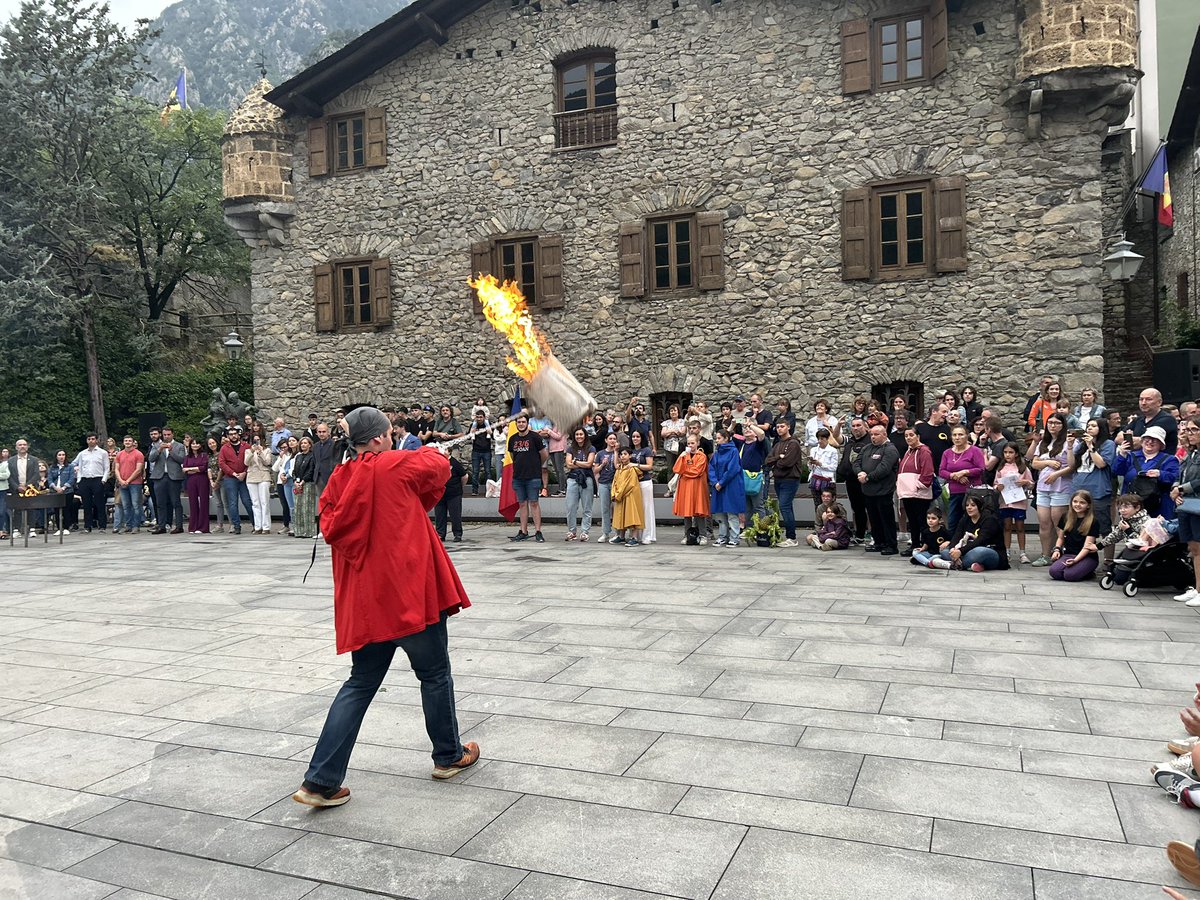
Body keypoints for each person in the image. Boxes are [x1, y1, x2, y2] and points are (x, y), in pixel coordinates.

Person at [293, 408, 478, 808]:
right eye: (390, 434)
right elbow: (435, 469)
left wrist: (428, 451)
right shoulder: (395, 465)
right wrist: (434, 448)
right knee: (434, 674)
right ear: (377, 439)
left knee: (359, 683)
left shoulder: (339, 479)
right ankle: (447, 756)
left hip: (368, 605)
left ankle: (320, 780)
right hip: (409, 599)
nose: (393, 439)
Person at [1027, 413, 1076, 565]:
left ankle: (1060, 552)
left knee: (1058, 522)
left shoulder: (1070, 442)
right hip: (1043, 486)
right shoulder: (1044, 442)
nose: (1052, 425)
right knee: (1044, 522)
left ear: (1063, 425)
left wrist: (1057, 473)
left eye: (1056, 423)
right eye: (1050, 422)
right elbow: (1033, 462)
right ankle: (1045, 554)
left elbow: (1072, 466)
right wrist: (1048, 462)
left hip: (1061, 486)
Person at [1072, 417, 1116, 559]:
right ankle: (1080, 556)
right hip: (1079, 488)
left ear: (1101, 428)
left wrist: (1091, 447)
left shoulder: (1108, 444)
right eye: (1088, 425)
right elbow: (1072, 464)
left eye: (1093, 426)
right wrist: (1069, 446)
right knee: (1080, 525)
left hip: (1098, 490)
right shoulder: (1081, 444)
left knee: (1104, 527)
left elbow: (1101, 464)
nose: (1089, 428)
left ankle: (1108, 560)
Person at [1114, 425, 1179, 518]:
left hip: (1157, 506)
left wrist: (1160, 474)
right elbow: (1116, 471)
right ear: (1142, 441)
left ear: (1161, 444)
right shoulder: (1131, 456)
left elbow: (1175, 478)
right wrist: (1122, 454)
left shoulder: (1169, 459)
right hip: (1131, 505)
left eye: (1155, 440)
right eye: (1147, 438)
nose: (1150, 442)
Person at [854, 424, 900, 556]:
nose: (873, 437)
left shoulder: (890, 449)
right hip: (868, 491)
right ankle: (879, 542)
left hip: (883, 490)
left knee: (886, 519)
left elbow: (884, 468)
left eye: (876, 434)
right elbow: (856, 462)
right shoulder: (867, 448)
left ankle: (891, 544)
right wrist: (860, 473)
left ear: (884, 434)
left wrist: (868, 477)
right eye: (871, 435)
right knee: (874, 519)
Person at [929, 494, 1005, 571]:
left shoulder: (989, 520)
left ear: (979, 506)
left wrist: (960, 551)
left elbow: (980, 540)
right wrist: (952, 549)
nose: (969, 507)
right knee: (944, 550)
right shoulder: (964, 519)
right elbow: (956, 536)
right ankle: (974, 565)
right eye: (967, 505)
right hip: (967, 550)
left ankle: (950, 564)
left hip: (989, 550)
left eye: (973, 505)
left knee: (979, 551)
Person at [1172, 417, 1200, 605]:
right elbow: (1179, 474)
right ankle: (1197, 587)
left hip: (1197, 504)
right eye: (1187, 430)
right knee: (1193, 548)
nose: (1189, 434)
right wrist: (1176, 490)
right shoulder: (1190, 453)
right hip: (1186, 505)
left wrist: (1182, 489)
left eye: (1194, 430)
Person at [507, 414, 548, 542]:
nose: (521, 424)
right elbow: (513, 456)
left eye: (523, 422)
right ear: (516, 424)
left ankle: (538, 531)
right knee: (522, 504)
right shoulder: (512, 439)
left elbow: (544, 455)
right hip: (518, 477)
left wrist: (535, 465)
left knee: (534, 503)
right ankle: (523, 531)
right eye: (519, 422)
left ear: (527, 423)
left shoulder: (535, 437)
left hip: (533, 476)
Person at [939, 425, 985, 534]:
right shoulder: (947, 453)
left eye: (960, 434)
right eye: (954, 435)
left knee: (971, 521)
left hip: (971, 492)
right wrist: (954, 475)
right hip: (955, 492)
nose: (957, 437)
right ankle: (952, 545)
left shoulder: (975, 451)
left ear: (966, 436)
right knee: (952, 521)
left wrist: (965, 472)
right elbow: (941, 471)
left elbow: (981, 469)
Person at [1045, 489, 1100, 581]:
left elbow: (1088, 546)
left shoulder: (1093, 521)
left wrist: (1076, 560)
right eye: (1075, 501)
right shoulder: (1065, 516)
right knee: (1054, 572)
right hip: (1069, 554)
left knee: (1069, 575)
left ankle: (1088, 571)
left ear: (1088, 505)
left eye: (1082, 502)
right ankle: (1078, 569)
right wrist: (1057, 549)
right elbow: (1060, 538)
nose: (1077, 505)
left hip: (1086, 556)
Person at [765, 418, 803, 547]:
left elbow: (787, 462)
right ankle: (790, 535)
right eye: (777, 426)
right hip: (778, 479)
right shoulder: (777, 444)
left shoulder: (793, 444)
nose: (779, 429)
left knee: (784, 506)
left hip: (790, 479)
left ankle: (791, 537)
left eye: (782, 426)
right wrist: (778, 457)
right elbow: (767, 460)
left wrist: (778, 461)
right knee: (787, 507)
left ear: (788, 427)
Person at [993, 443, 1034, 564]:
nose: (1008, 455)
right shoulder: (1001, 468)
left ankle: (1022, 552)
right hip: (1005, 502)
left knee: (1020, 527)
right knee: (1007, 526)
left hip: (1019, 502)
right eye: (1005, 452)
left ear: (1016, 454)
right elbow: (995, 484)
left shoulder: (1022, 468)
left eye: (1010, 452)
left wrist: (1025, 482)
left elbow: (1031, 483)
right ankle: (1007, 551)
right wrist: (998, 487)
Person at [897, 427, 935, 556]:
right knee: (912, 521)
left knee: (921, 521)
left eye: (911, 435)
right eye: (906, 435)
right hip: (908, 492)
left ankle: (925, 545)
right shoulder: (908, 452)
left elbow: (928, 471)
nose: (908, 438)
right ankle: (915, 544)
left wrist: (919, 485)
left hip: (919, 493)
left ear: (918, 436)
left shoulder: (924, 451)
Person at [709, 428, 746, 548]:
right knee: (720, 513)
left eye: (719, 438)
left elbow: (733, 469)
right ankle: (722, 536)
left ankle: (734, 537)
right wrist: (715, 482)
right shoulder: (717, 453)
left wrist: (721, 482)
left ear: (726, 439)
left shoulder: (733, 451)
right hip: (719, 486)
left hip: (730, 486)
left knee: (731, 512)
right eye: (716, 438)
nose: (717, 440)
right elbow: (711, 468)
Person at [838, 417, 871, 544]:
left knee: (871, 508)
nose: (856, 428)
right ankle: (860, 535)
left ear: (865, 427)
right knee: (857, 509)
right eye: (854, 426)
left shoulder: (870, 440)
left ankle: (874, 535)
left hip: (865, 480)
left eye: (859, 425)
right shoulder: (850, 441)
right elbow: (836, 438)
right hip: (850, 480)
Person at [673, 434, 710, 545]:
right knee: (687, 512)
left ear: (697, 443)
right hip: (685, 486)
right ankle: (687, 535)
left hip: (698, 486)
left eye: (692, 443)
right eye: (688, 443)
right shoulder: (684, 455)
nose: (690, 445)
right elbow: (676, 469)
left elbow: (697, 471)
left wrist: (685, 471)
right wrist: (681, 457)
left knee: (699, 511)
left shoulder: (702, 456)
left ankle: (703, 535)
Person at [148, 427, 186, 534]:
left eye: (168, 434)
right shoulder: (156, 445)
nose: (166, 437)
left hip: (174, 477)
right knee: (160, 503)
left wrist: (171, 451)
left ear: (172, 434)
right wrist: (159, 450)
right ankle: (162, 526)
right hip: (159, 477)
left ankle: (179, 526)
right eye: (164, 435)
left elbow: (182, 459)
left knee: (176, 502)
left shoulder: (179, 446)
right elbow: (151, 459)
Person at [219, 428, 254, 535]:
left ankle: (255, 524)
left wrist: (244, 472)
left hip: (244, 477)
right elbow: (222, 463)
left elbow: (251, 461)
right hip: (230, 478)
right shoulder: (224, 448)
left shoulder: (246, 446)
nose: (233, 436)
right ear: (228, 436)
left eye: (235, 434)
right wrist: (233, 473)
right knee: (233, 503)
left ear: (238, 435)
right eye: (231, 434)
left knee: (247, 501)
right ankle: (236, 526)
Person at [72, 433, 109, 533]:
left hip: (98, 478)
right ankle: (87, 526)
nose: (91, 441)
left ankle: (102, 526)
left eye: (93, 439)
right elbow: (73, 464)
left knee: (99, 503)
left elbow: (106, 468)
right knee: (86, 504)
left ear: (96, 440)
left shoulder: (103, 453)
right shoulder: (82, 453)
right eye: (89, 439)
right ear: (87, 441)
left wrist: (104, 480)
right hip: (85, 479)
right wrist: (77, 472)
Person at [564, 427, 595, 542]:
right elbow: (568, 465)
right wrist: (582, 464)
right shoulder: (570, 449)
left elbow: (589, 464)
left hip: (587, 479)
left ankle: (585, 532)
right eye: (577, 435)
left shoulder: (591, 448)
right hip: (573, 479)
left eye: (581, 434)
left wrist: (576, 462)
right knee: (571, 507)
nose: (579, 437)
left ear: (585, 435)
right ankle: (572, 531)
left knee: (587, 507)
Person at [611, 447, 644, 546]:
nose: (622, 456)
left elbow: (630, 484)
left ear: (630, 456)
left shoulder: (632, 468)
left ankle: (633, 537)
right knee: (621, 515)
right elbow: (615, 482)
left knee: (631, 515)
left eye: (625, 454)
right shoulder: (619, 469)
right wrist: (614, 492)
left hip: (630, 495)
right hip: (620, 496)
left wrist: (619, 493)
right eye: (621, 454)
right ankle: (621, 536)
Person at [1129, 388, 1179, 454]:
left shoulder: (1167, 419)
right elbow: (1118, 439)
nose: (1143, 403)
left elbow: (1144, 442)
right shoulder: (1138, 419)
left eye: (1148, 399)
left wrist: (1130, 438)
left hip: (1161, 462)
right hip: (1138, 461)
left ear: (1159, 402)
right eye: (1141, 399)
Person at [113, 435, 145, 534]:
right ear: (123, 442)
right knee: (126, 505)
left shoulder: (139, 454)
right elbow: (116, 469)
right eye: (125, 440)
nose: (127, 442)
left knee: (136, 505)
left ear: (133, 442)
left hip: (135, 483)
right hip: (122, 483)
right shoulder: (119, 454)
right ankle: (128, 525)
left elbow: (138, 469)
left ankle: (136, 526)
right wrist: (121, 480)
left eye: (129, 441)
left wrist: (128, 480)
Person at [631, 428, 657, 543]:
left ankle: (648, 535)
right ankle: (637, 535)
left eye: (637, 436)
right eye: (633, 437)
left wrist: (635, 465)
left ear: (642, 438)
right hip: (633, 482)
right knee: (636, 509)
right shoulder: (631, 450)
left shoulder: (646, 450)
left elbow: (649, 466)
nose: (635, 439)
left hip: (645, 482)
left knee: (646, 508)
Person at [592, 432, 619, 543]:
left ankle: (618, 532)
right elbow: (595, 470)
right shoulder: (600, 454)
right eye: (610, 438)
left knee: (616, 508)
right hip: (603, 483)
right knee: (605, 509)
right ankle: (605, 532)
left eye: (614, 439)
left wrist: (616, 452)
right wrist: (602, 464)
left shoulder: (619, 453)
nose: (612, 440)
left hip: (615, 483)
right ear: (606, 440)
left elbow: (618, 467)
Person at [736, 423, 767, 520]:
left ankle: (763, 531)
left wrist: (751, 425)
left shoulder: (758, 444)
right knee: (747, 506)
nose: (747, 430)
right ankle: (748, 529)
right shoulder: (742, 444)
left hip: (755, 479)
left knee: (758, 506)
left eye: (749, 429)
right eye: (745, 428)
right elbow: (728, 434)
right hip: (743, 478)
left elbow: (762, 434)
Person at [434, 451, 466, 542]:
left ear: (449, 451)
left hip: (454, 493)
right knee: (439, 515)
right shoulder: (437, 462)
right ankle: (440, 534)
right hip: (440, 493)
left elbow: (464, 476)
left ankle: (457, 534)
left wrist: (460, 487)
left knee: (455, 515)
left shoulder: (454, 463)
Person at [182, 438, 211, 534]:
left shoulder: (204, 455)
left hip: (202, 479)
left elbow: (203, 468)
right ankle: (193, 527)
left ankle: (203, 527)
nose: (195, 445)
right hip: (191, 480)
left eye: (197, 443)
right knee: (192, 502)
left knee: (203, 502)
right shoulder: (187, 457)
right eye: (193, 443)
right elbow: (184, 470)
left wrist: (191, 469)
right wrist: (195, 469)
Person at [292, 435, 318, 538]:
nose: (303, 445)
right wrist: (295, 481)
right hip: (298, 484)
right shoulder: (298, 456)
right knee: (298, 507)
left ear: (310, 445)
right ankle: (299, 531)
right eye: (302, 443)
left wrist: (303, 481)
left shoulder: (312, 456)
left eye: (305, 443)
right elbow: (294, 470)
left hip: (307, 483)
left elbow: (311, 470)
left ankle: (309, 531)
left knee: (307, 508)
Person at [47, 450, 76, 535]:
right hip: (55, 491)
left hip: (67, 491)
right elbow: (49, 479)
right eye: (59, 455)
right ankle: (59, 528)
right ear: (56, 456)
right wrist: (55, 487)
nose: (61, 456)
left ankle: (66, 527)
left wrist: (64, 487)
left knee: (67, 509)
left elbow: (71, 479)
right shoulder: (52, 467)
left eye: (63, 455)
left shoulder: (70, 467)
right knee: (56, 510)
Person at [273, 436, 296, 535]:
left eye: (284, 447)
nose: (283, 449)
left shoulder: (292, 455)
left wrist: (285, 475)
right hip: (280, 482)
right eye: (281, 448)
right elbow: (275, 468)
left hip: (289, 480)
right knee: (284, 504)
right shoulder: (282, 456)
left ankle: (292, 524)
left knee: (291, 504)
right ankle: (286, 525)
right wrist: (280, 458)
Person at [468, 410, 493, 496]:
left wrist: (490, 432)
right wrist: (471, 432)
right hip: (476, 451)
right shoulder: (473, 425)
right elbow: (468, 437)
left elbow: (493, 437)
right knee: (475, 471)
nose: (479, 419)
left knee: (488, 471)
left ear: (484, 417)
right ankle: (475, 490)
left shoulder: (488, 424)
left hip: (486, 451)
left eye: (480, 417)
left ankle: (489, 490)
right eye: (477, 417)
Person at [660, 404, 687, 485]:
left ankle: (680, 487)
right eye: (671, 411)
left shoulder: (683, 422)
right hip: (668, 448)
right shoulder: (666, 423)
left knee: (681, 467)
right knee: (671, 468)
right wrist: (675, 432)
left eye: (675, 410)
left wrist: (670, 432)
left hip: (680, 448)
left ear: (678, 412)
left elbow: (682, 432)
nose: (673, 412)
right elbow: (663, 434)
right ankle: (670, 489)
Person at [207, 436, 227, 533]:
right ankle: (220, 525)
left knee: (225, 502)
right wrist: (211, 481)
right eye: (210, 444)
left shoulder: (221, 453)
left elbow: (221, 468)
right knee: (218, 504)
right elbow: (209, 468)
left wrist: (217, 481)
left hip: (223, 480)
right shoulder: (209, 456)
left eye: (213, 443)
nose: (212, 445)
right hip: (213, 481)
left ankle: (233, 524)